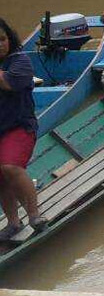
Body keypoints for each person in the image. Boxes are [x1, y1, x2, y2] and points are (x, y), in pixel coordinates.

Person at [0, 18, 47, 240]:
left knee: (9, 166)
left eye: (2, 39)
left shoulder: (20, 62)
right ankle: (13, 222)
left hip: (19, 127)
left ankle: (34, 214)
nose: (0, 44)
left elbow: (9, 83)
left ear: (10, 40)